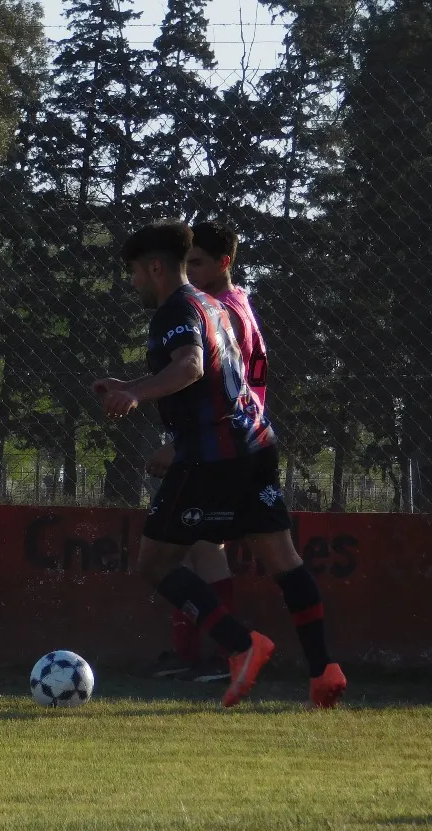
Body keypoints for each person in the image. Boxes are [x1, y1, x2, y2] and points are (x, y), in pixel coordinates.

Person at [93, 221, 347, 708]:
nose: (133, 284)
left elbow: (188, 365)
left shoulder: (175, 307)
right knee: (283, 559)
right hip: (255, 443)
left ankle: (240, 645)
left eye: (134, 274)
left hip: (213, 455)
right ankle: (322, 670)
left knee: (154, 563)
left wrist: (134, 396)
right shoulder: (215, 304)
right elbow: (205, 369)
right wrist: (127, 382)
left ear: (154, 267)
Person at [147, 222, 269, 683]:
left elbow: (219, 385)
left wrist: (176, 444)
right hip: (233, 442)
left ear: (224, 263)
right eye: (186, 262)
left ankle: (229, 652)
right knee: (190, 547)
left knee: (199, 545)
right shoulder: (234, 305)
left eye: (196, 263)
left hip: (225, 444)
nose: (189, 272)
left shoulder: (222, 311)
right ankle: (198, 652)